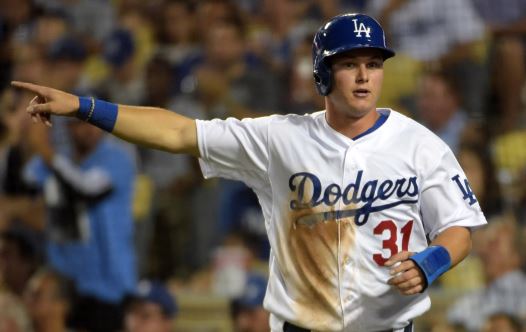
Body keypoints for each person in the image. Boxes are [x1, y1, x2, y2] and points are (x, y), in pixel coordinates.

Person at [12, 13, 487, 331]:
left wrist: (433, 262)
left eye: (372, 64)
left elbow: (458, 228)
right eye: (349, 65)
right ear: (323, 74)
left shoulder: (419, 142)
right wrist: (84, 106)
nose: (364, 76)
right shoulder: (279, 138)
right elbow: (179, 133)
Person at [22, 118, 137, 332]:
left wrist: (46, 152)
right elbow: (25, 183)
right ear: (67, 128)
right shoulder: (61, 157)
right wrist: (32, 141)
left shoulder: (117, 157)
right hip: (69, 282)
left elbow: (86, 189)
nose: (89, 130)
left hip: (109, 285)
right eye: (79, 123)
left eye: (94, 122)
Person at [447, 216, 526, 332]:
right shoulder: (479, 294)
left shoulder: (516, 285)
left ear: (515, 256)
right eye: (486, 245)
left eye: (494, 244)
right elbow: (453, 317)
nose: (485, 251)